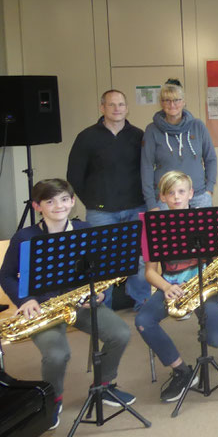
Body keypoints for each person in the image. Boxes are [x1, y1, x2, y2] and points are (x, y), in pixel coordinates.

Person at [0, 179, 134, 429]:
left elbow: (100, 269)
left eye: (63, 199)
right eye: (49, 201)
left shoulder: (85, 229)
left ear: (72, 201)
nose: (58, 205)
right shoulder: (24, 237)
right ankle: (54, 399)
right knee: (57, 354)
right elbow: (6, 275)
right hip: (42, 308)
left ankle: (103, 386)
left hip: (79, 303)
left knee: (120, 333)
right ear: (37, 206)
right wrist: (25, 299)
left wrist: (99, 292)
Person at [135, 171, 218, 403]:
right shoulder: (154, 227)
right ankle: (181, 370)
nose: (176, 197)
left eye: (181, 191)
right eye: (170, 193)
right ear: (162, 197)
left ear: (191, 193)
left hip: (204, 285)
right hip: (172, 287)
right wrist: (166, 287)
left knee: (214, 338)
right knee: (143, 321)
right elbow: (150, 271)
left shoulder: (207, 221)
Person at [66, 89, 150, 309]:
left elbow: (148, 171)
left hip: (135, 207)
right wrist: (92, 201)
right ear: (102, 108)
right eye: (111, 105)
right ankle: (105, 308)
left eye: (121, 104)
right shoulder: (87, 137)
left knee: (139, 260)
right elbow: (74, 176)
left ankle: (142, 303)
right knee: (103, 262)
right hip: (101, 212)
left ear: (127, 107)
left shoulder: (138, 136)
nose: (117, 109)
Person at [141, 79, 217, 211]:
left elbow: (211, 159)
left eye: (176, 100)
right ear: (161, 103)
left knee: (200, 232)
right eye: (167, 100)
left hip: (199, 196)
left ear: (183, 102)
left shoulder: (197, 126)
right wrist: (152, 204)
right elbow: (146, 166)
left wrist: (209, 190)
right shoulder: (152, 130)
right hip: (166, 199)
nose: (172, 104)